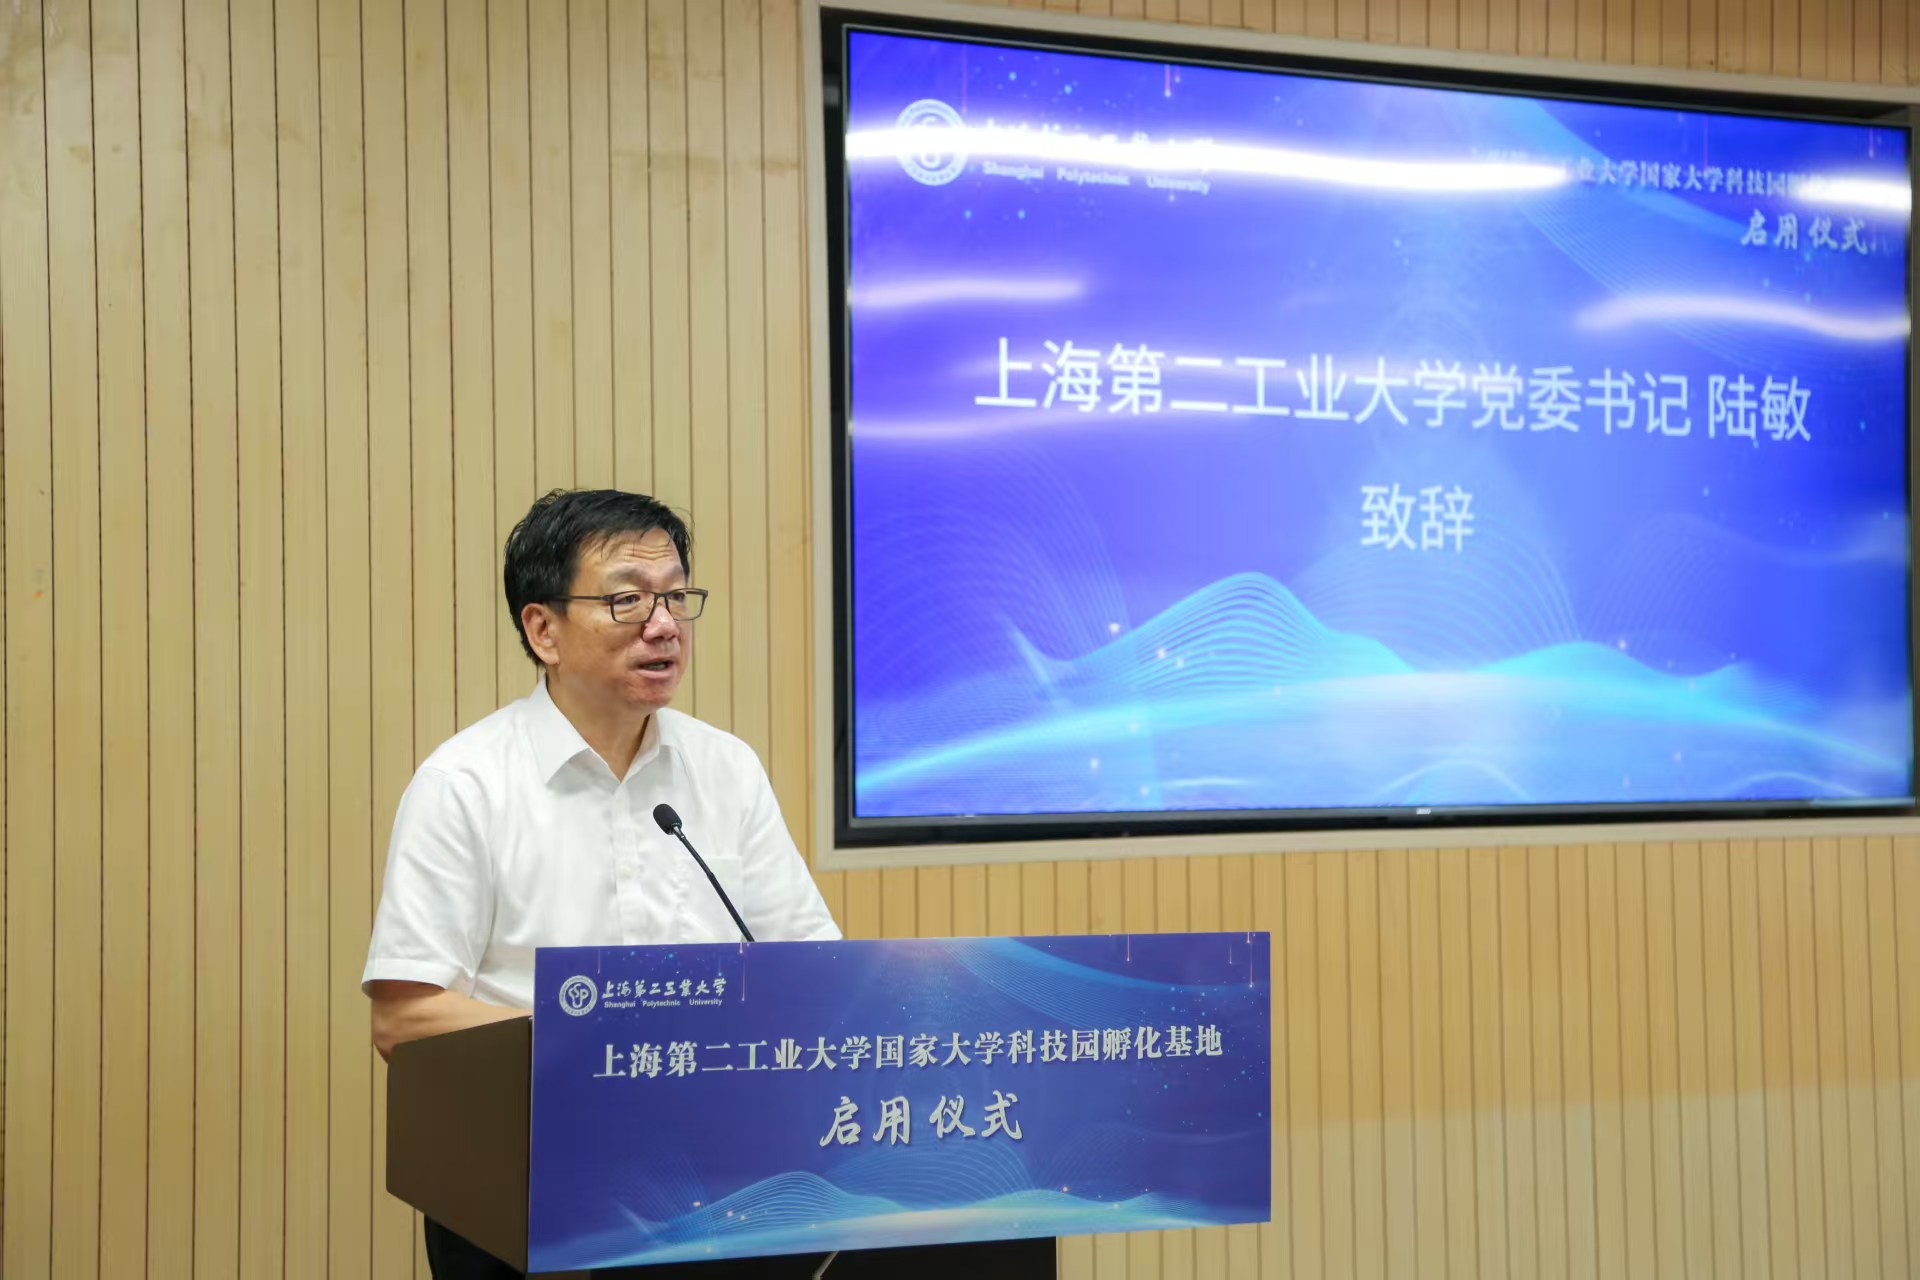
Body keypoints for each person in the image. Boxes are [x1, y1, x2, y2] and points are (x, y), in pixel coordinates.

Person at [364, 489, 839, 1278]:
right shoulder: (465, 785)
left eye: (676, 597)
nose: (664, 625)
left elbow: (814, 970)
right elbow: (405, 1018)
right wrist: (600, 1043)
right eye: (627, 600)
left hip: (715, 1188)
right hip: (526, 1190)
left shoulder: (726, 770)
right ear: (543, 630)